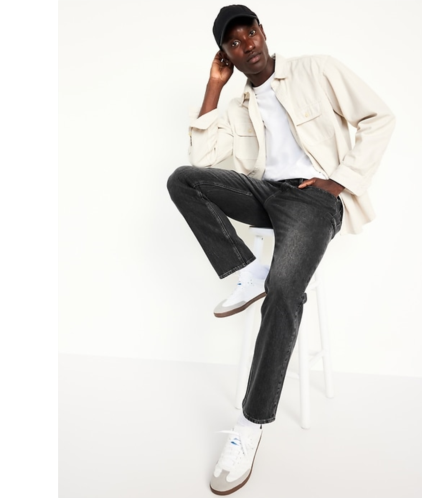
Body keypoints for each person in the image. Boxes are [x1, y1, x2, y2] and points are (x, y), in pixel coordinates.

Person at [167, 4, 395, 495]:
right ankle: (247, 271)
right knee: (183, 179)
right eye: (233, 43)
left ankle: (249, 427)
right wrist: (214, 87)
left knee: (285, 290)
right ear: (226, 54)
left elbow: (380, 117)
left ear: (263, 32)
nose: (246, 45)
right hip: (265, 195)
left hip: (314, 198)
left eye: (249, 33)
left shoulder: (318, 69)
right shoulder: (238, 105)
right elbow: (201, 157)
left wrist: (340, 180)